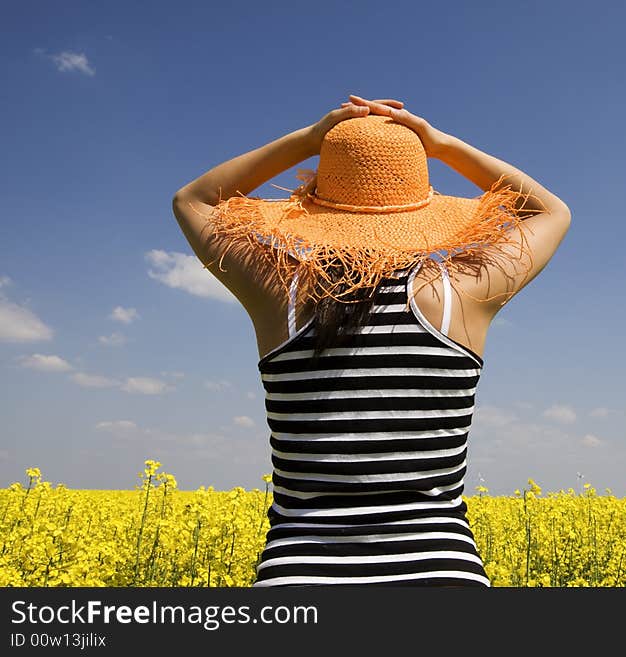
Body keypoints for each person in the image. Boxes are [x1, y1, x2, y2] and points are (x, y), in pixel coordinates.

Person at [171, 94, 571, 586]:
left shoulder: (283, 296)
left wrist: (312, 139)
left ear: (315, 204)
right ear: (423, 208)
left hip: (300, 576)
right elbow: (548, 212)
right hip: (440, 573)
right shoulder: (458, 296)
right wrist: (439, 144)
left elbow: (193, 200)